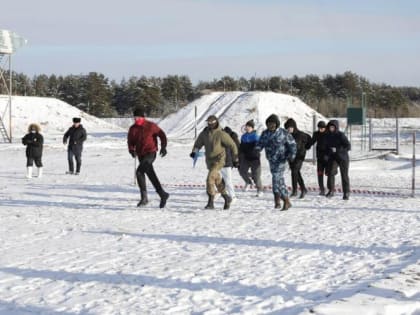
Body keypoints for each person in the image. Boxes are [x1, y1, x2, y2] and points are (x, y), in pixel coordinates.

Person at [190, 115, 239, 210]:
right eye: (209, 122)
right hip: (210, 161)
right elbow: (198, 144)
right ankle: (226, 197)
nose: (210, 124)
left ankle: (210, 202)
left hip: (219, 160)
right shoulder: (204, 134)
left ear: (216, 122)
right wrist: (194, 152)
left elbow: (232, 145)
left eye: (212, 122)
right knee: (217, 181)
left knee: (209, 179)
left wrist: (235, 158)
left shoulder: (221, 134)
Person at [127, 106, 169, 208]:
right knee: (150, 174)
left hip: (151, 153)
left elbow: (162, 135)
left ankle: (144, 198)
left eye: (138, 117)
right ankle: (162, 194)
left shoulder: (150, 126)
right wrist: (131, 150)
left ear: (143, 117)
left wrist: (163, 147)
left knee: (139, 172)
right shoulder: (133, 129)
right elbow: (130, 141)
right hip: (140, 154)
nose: (136, 119)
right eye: (135, 117)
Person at [256, 114, 296, 210]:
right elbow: (260, 143)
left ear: (277, 124)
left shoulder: (283, 133)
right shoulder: (265, 133)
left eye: (273, 124)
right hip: (271, 160)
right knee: (277, 180)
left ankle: (286, 201)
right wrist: (256, 150)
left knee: (276, 179)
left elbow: (293, 145)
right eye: (269, 124)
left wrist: (292, 156)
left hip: (281, 160)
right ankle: (277, 201)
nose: (271, 126)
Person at [284, 118, 312, 198]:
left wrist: (306, 147)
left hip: (300, 156)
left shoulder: (301, 134)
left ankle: (295, 190)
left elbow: (309, 139)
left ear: (294, 127)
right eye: (288, 128)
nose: (289, 129)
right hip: (291, 157)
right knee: (296, 172)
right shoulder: (287, 136)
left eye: (291, 127)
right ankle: (303, 189)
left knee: (294, 171)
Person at [325, 119, 351, 200]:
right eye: (330, 127)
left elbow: (348, 146)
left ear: (336, 127)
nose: (331, 129)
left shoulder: (341, 135)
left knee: (344, 175)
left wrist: (338, 149)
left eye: (333, 127)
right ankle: (331, 190)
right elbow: (326, 147)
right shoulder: (328, 136)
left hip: (343, 158)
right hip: (333, 157)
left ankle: (346, 192)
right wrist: (327, 153)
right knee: (330, 173)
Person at [238, 119, 263, 196]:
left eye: (249, 126)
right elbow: (241, 148)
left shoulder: (256, 136)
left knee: (256, 176)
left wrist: (256, 149)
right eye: (246, 126)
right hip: (246, 158)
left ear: (252, 128)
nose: (247, 128)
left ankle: (260, 190)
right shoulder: (243, 136)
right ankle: (248, 182)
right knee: (242, 171)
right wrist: (240, 156)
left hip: (254, 158)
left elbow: (260, 146)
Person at [309, 121, 328, 195]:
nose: (321, 130)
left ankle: (330, 188)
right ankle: (322, 189)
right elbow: (312, 141)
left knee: (329, 174)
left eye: (322, 128)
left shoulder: (328, 134)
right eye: (319, 128)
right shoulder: (316, 134)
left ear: (325, 128)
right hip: (319, 157)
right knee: (320, 173)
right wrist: (306, 146)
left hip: (327, 157)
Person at [221, 126, 240, 203]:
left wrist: (235, 161)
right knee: (220, 180)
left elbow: (234, 152)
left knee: (228, 181)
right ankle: (219, 193)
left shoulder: (230, 142)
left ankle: (233, 196)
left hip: (227, 163)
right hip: (220, 163)